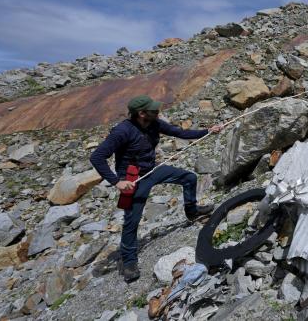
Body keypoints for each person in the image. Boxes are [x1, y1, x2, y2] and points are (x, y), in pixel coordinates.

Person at [90, 95, 223, 282]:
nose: (158, 112)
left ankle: (192, 211)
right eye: (153, 110)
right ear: (141, 113)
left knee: (189, 178)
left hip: (152, 170)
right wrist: (116, 182)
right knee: (132, 221)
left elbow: (179, 133)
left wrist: (207, 131)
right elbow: (97, 157)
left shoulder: (154, 123)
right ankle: (128, 262)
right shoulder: (122, 131)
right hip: (133, 179)